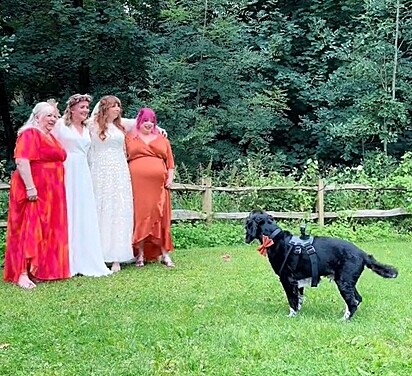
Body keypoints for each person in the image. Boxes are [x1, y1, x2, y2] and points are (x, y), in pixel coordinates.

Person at [3, 101, 70, 289]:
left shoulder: (50, 137)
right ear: (37, 116)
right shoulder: (29, 133)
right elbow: (22, 161)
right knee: (29, 227)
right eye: (49, 115)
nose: (53, 119)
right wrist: (31, 188)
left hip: (52, 191)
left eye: (55, 116)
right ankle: (22, 273)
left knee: (45, 228)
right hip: (34, 188)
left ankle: (37, 269)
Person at [52, 94, 112, 277]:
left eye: (87, 107)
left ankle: (87, 258)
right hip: (66, 169)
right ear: (71, 108)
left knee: (84, 213)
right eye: (82, 107)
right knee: (68, 212)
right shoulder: (60, 125)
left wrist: (158, 127)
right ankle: (66, 260)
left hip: (83, 172)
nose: (86, 110)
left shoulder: (87, 128)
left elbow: (118, 120)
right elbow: (44, 136)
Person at [87, 95, 135, 272]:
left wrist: (158, 128)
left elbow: (142, 122)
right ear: (105, 108)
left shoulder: (120, 125)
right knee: (101, 208)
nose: (118, 109)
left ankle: (117, 256)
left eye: (119, 106)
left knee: (119, 209)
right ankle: (97, 253)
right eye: (114, 106)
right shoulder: (91, 124)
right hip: (100, 171)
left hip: (119, 172)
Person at [125, 107, 175, 268]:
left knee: (160, 216)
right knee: (140, 216)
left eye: (151, 121)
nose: (148, 123)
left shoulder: (162, 139)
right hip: (137, 184)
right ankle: (139, 254)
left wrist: (170, 178)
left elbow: (170, 163)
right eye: (145, 120)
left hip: (159, 185)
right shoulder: (129, 138)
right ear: (139, 121)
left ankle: (165, 254)